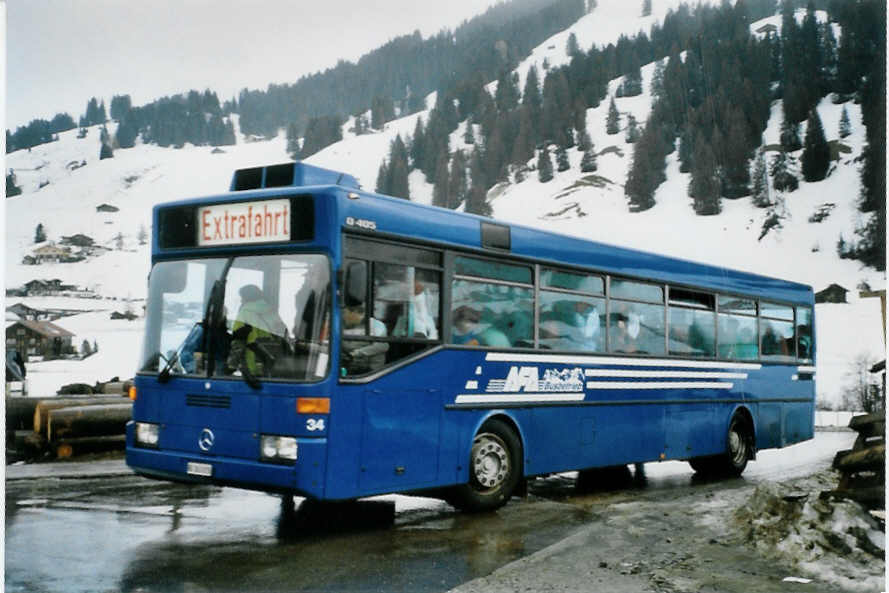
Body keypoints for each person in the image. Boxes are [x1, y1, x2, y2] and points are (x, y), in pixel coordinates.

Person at [227, 284, 288, 376]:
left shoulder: (245, 313)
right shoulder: (272, 312)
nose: (241, 300)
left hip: (252, 366)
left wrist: (231, 366)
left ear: (247, 298)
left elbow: (238, 342)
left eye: (242, 297)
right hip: (273, 363)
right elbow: (284, 334)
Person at [341, 301, 388, 375]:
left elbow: (382, 346)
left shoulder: (376, 325)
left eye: (345, 314)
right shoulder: (342, 326)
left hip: (370, 372)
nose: (343, 317)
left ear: (354, 313)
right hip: (349, 366)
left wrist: (356, 353)